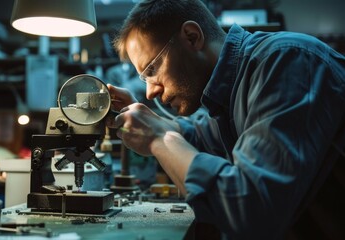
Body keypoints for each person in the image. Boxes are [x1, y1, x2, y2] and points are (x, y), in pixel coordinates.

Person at [106, 0, 345, 239]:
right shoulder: (227, 93)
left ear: (191, 37)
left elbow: (250, 211)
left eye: (151, 70)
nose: (150, 92)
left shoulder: (286, 61)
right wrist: (147, 121)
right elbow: (199, 136)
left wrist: (158, 138)